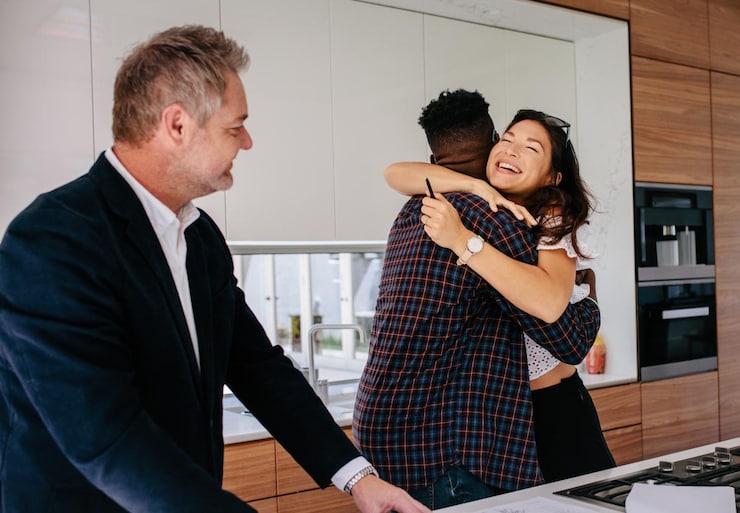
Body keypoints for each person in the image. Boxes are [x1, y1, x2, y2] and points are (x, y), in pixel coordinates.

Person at [0, 25, 428, 513]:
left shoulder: (199, 237)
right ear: (177, 125)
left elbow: (256, 366)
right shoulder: (54, 239)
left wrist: (358, 478)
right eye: (235, 126)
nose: (246, 142)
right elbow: (104, 435)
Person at [352, 91, 601, 509]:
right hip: (445, 452)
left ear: (433, 158)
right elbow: (570, 338)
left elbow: (396, 173)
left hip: (384, 436)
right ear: (490, 143)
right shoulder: (493, 219)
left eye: (530, 147)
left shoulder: (415, 210)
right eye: (507, 138)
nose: (512, 149)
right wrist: (588, 303)